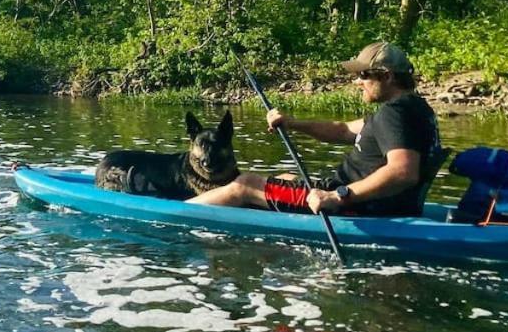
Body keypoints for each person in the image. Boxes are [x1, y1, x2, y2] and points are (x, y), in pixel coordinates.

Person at [189, 42, 442, 217]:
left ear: (386, 76)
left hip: (356, 206)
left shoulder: (395, 114)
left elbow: (402, 172)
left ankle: (174, 212)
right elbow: (343, 130)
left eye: (363, 75)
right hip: (374, 201)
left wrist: (338, 196)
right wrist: (292, 123)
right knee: (287, 177)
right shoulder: (416, 109)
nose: (357, 82)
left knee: (244, 184)